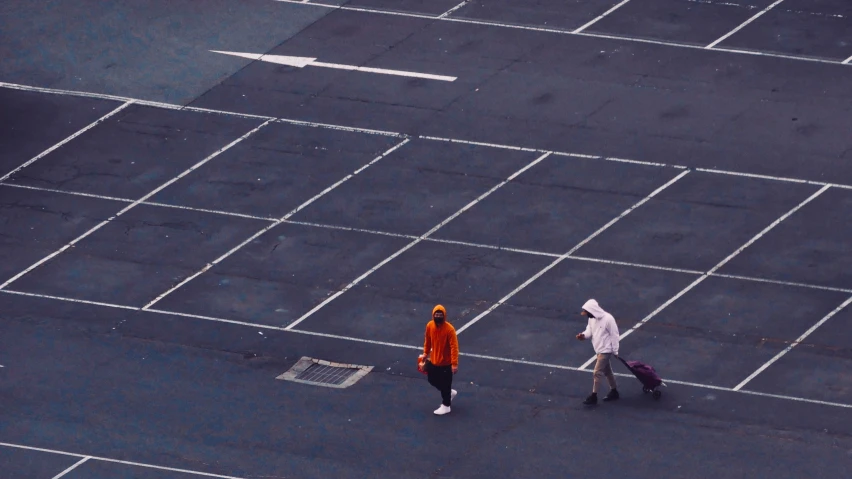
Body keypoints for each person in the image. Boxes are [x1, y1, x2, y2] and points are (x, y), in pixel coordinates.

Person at [576, 299, 620, 405]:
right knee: (607, 371)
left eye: (587, 313)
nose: (587, 315)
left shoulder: (608, 319)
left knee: (597, 372)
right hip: (599, 349)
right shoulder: (592, 320)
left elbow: (614, 335)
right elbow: (589, 331)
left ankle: (594, 396)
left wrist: (615, 350)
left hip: (606, 350)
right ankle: (614, 391)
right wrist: (583, 335)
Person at [420, 305, 459, 415]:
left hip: (446, 363)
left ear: (444, 315)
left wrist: (454, 363)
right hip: (434, 360)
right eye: (436, 315)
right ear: (433, 315)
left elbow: (454, 347)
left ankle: (446, 405)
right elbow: (427, 340)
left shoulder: (449, 329)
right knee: (432, 379)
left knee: (446, 383)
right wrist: (425, 353)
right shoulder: (430, 326)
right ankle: (448, 393)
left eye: (440, 315)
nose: (438, 316)